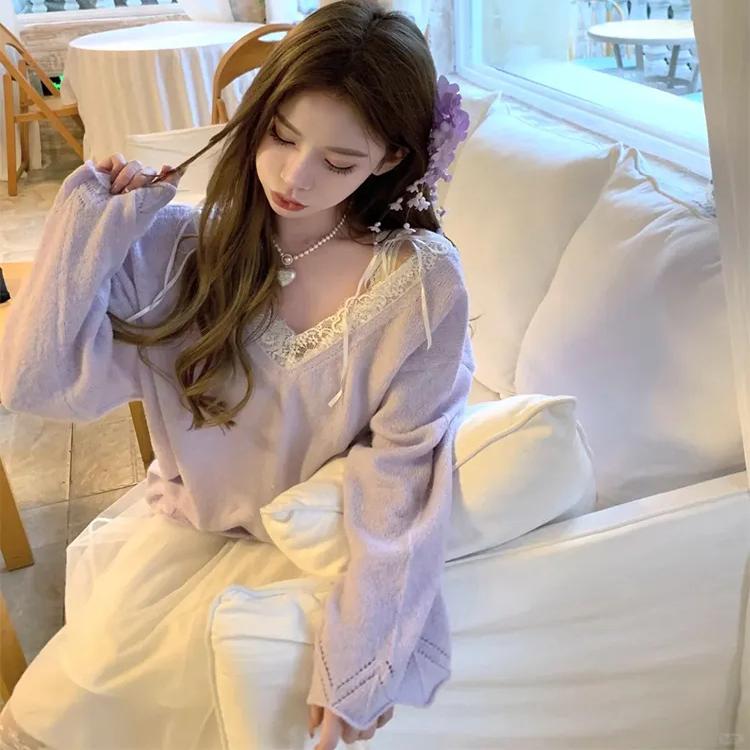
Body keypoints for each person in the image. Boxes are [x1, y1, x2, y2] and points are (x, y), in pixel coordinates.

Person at [0, 1, 476, 748]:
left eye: (339, 162)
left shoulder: (419, 285)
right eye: (281, 135)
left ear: (389, 160)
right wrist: (86, 224)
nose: (295, 175)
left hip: (315, 560)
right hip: (184, 546)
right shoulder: (177, 251)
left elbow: (404, 475)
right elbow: (36, 383)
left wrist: (360, 656)